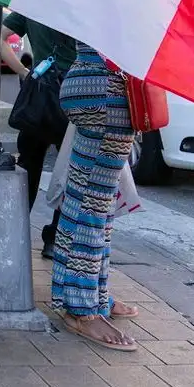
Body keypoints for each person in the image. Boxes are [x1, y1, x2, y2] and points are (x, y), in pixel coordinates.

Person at [52, 41, 140, 351]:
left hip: (86, 78)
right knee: (94, 206)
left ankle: (91, 297)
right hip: (110, 90)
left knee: (85, 200)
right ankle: (82, 309)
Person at [0, 13, 77, 259]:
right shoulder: (83, 5)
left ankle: (17, 230)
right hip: (73, 95)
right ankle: (54, 238)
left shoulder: (35, 4)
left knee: (28, 165)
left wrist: (24, 72)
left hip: (39, 93)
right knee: (69, 170)